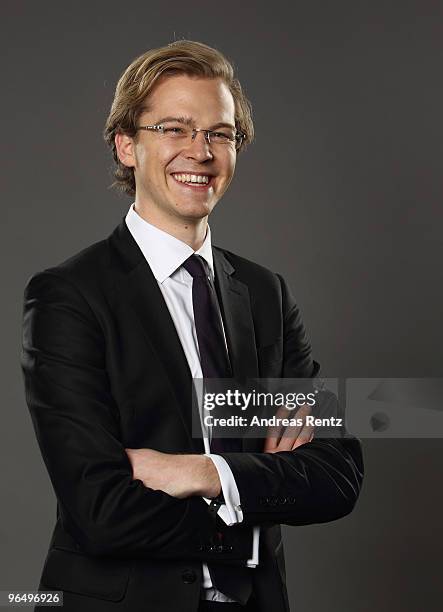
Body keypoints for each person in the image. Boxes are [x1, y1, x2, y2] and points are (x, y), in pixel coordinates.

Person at [21, 40, 364, 612]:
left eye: (220, 133)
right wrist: (251, 508)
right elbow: (100, 510)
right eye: (174, 129)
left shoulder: (265, 294)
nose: (200, 151)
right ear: (126, 146)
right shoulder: (70, 296)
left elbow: (337, 474)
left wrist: (204, 473)